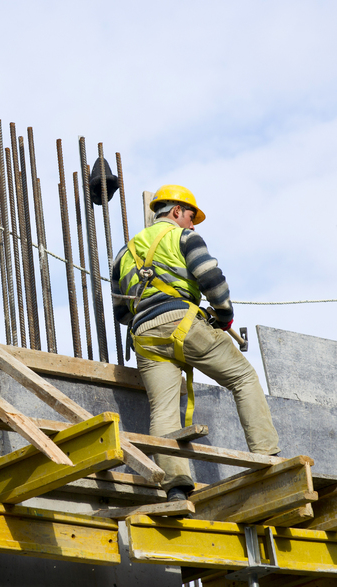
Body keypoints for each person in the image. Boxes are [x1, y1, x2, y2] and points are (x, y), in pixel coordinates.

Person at [111, 185, 280, 501]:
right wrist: (224, 316)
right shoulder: (183, 238)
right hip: (185, 324)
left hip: (145, 336)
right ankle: (267, 456)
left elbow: (121, 312)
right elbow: (210, 278)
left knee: (163, 409)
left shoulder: (123, 253)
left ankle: (175, 487)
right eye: (190, 217)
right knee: (243, 378)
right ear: (175, 212)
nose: (192, 224)